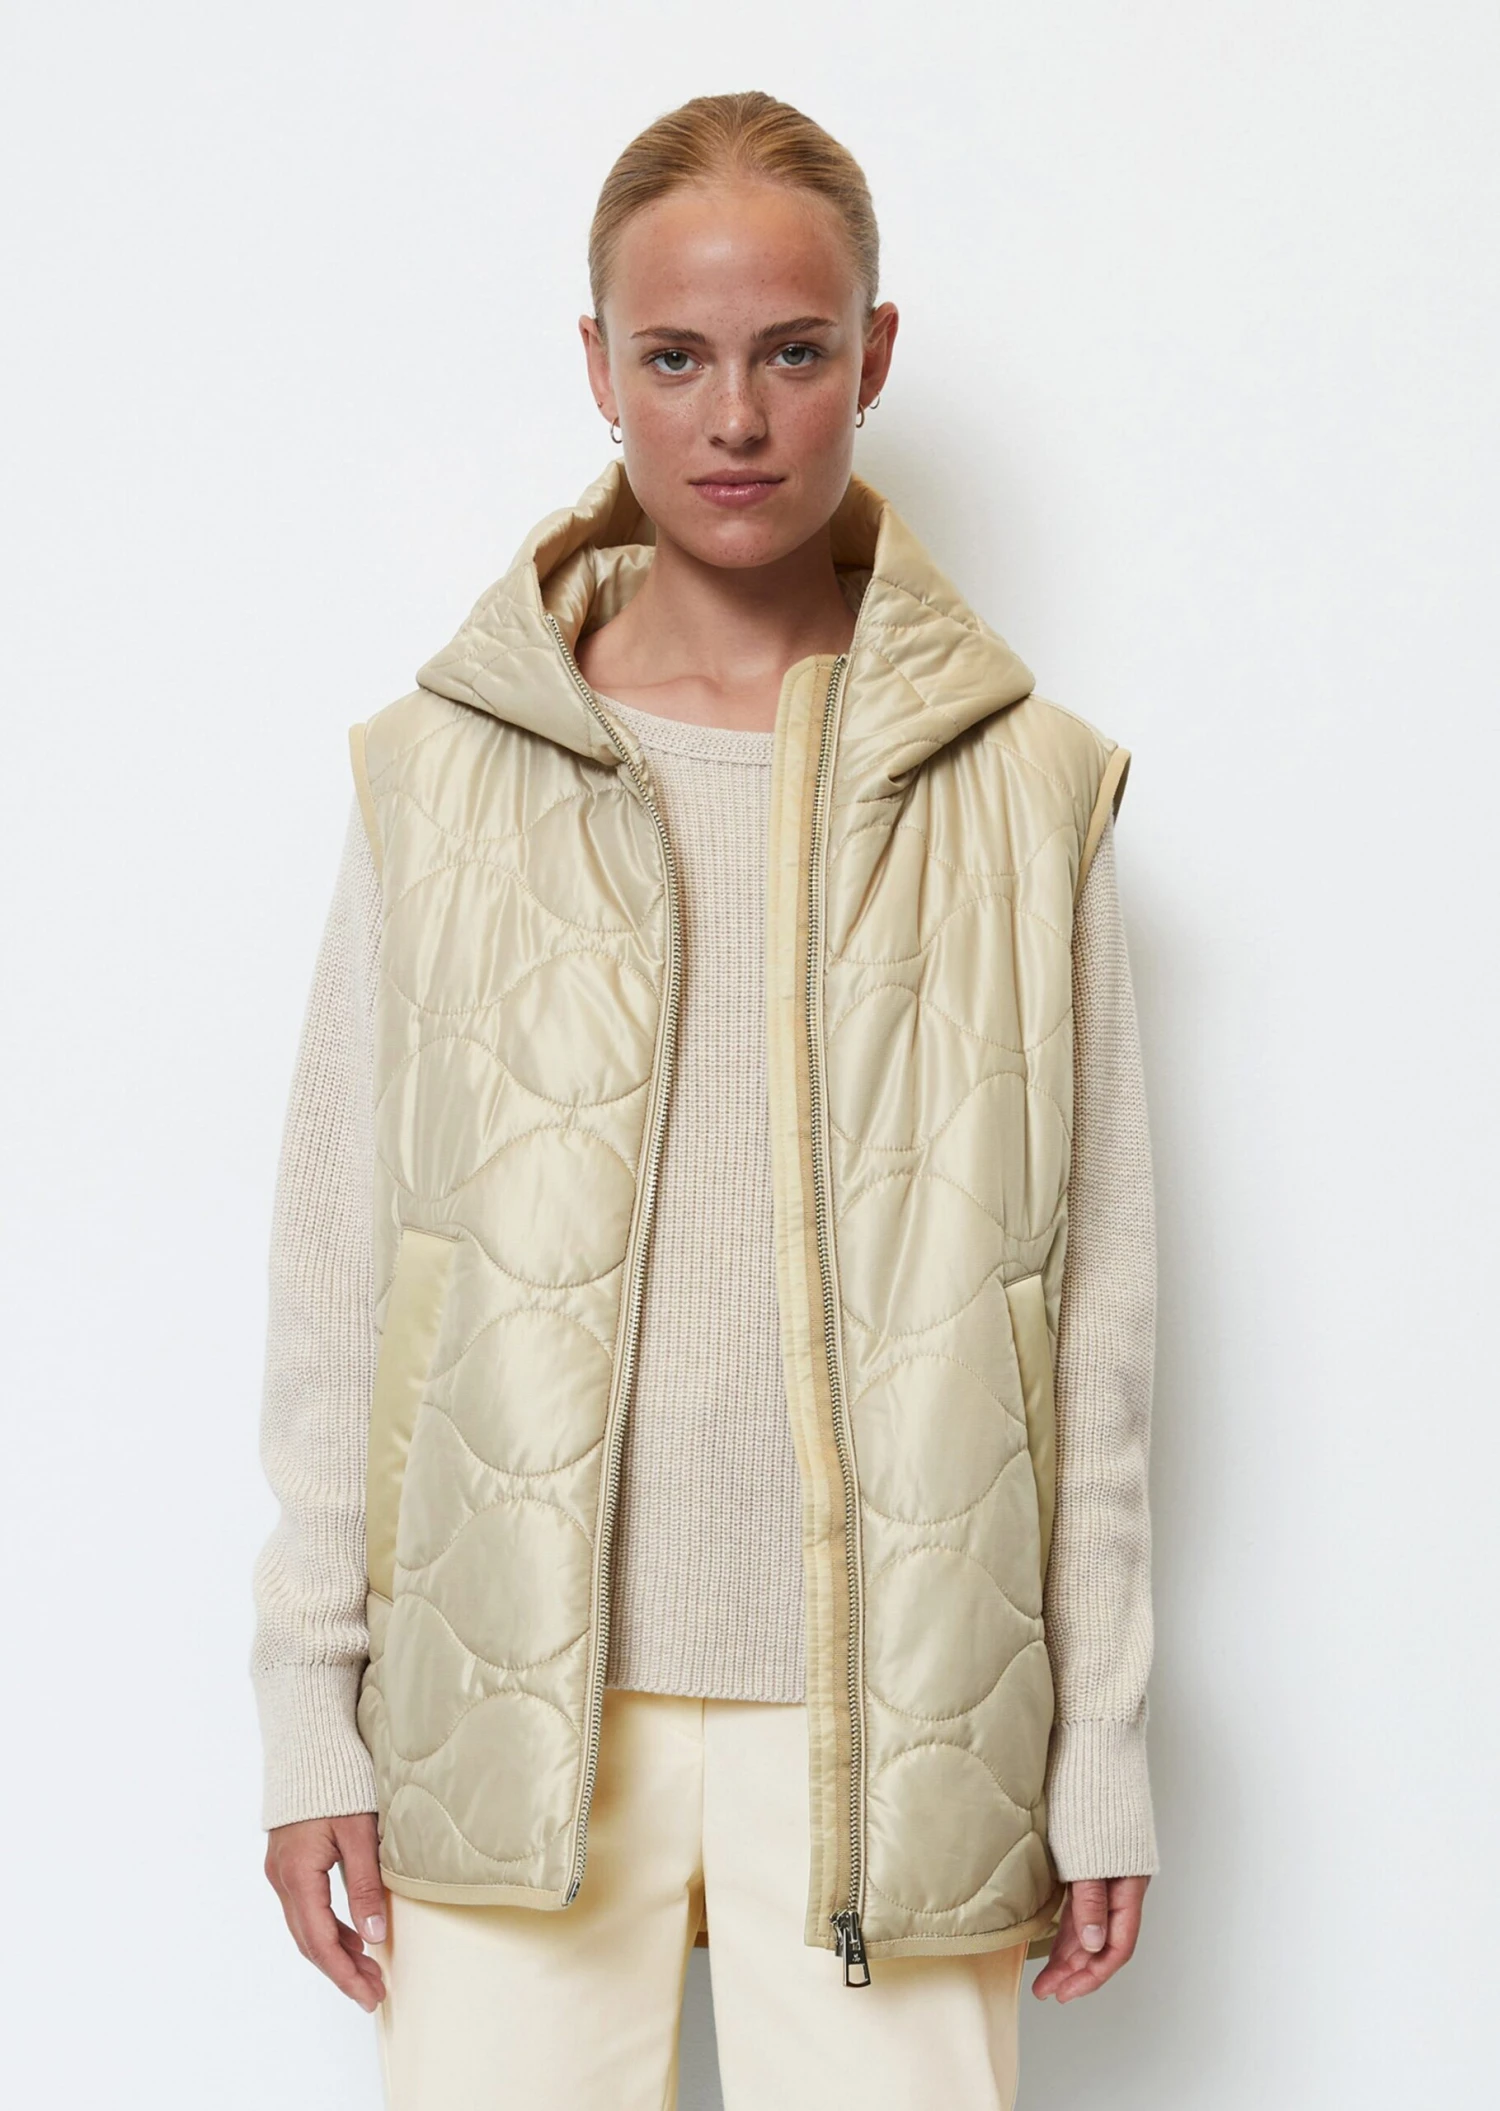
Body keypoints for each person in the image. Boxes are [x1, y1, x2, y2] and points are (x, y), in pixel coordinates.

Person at [250, 89, 1158, 2111]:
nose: (734, 417)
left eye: (792, 351)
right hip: (508, 1697)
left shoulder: (1029, 792)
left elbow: (1089, 1320)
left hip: (901, 1711)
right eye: (674, 356)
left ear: (875, 354)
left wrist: (1098, 1738)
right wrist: (313, 1709)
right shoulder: (440, 772)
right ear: (598, 366)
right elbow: (339, 1280)